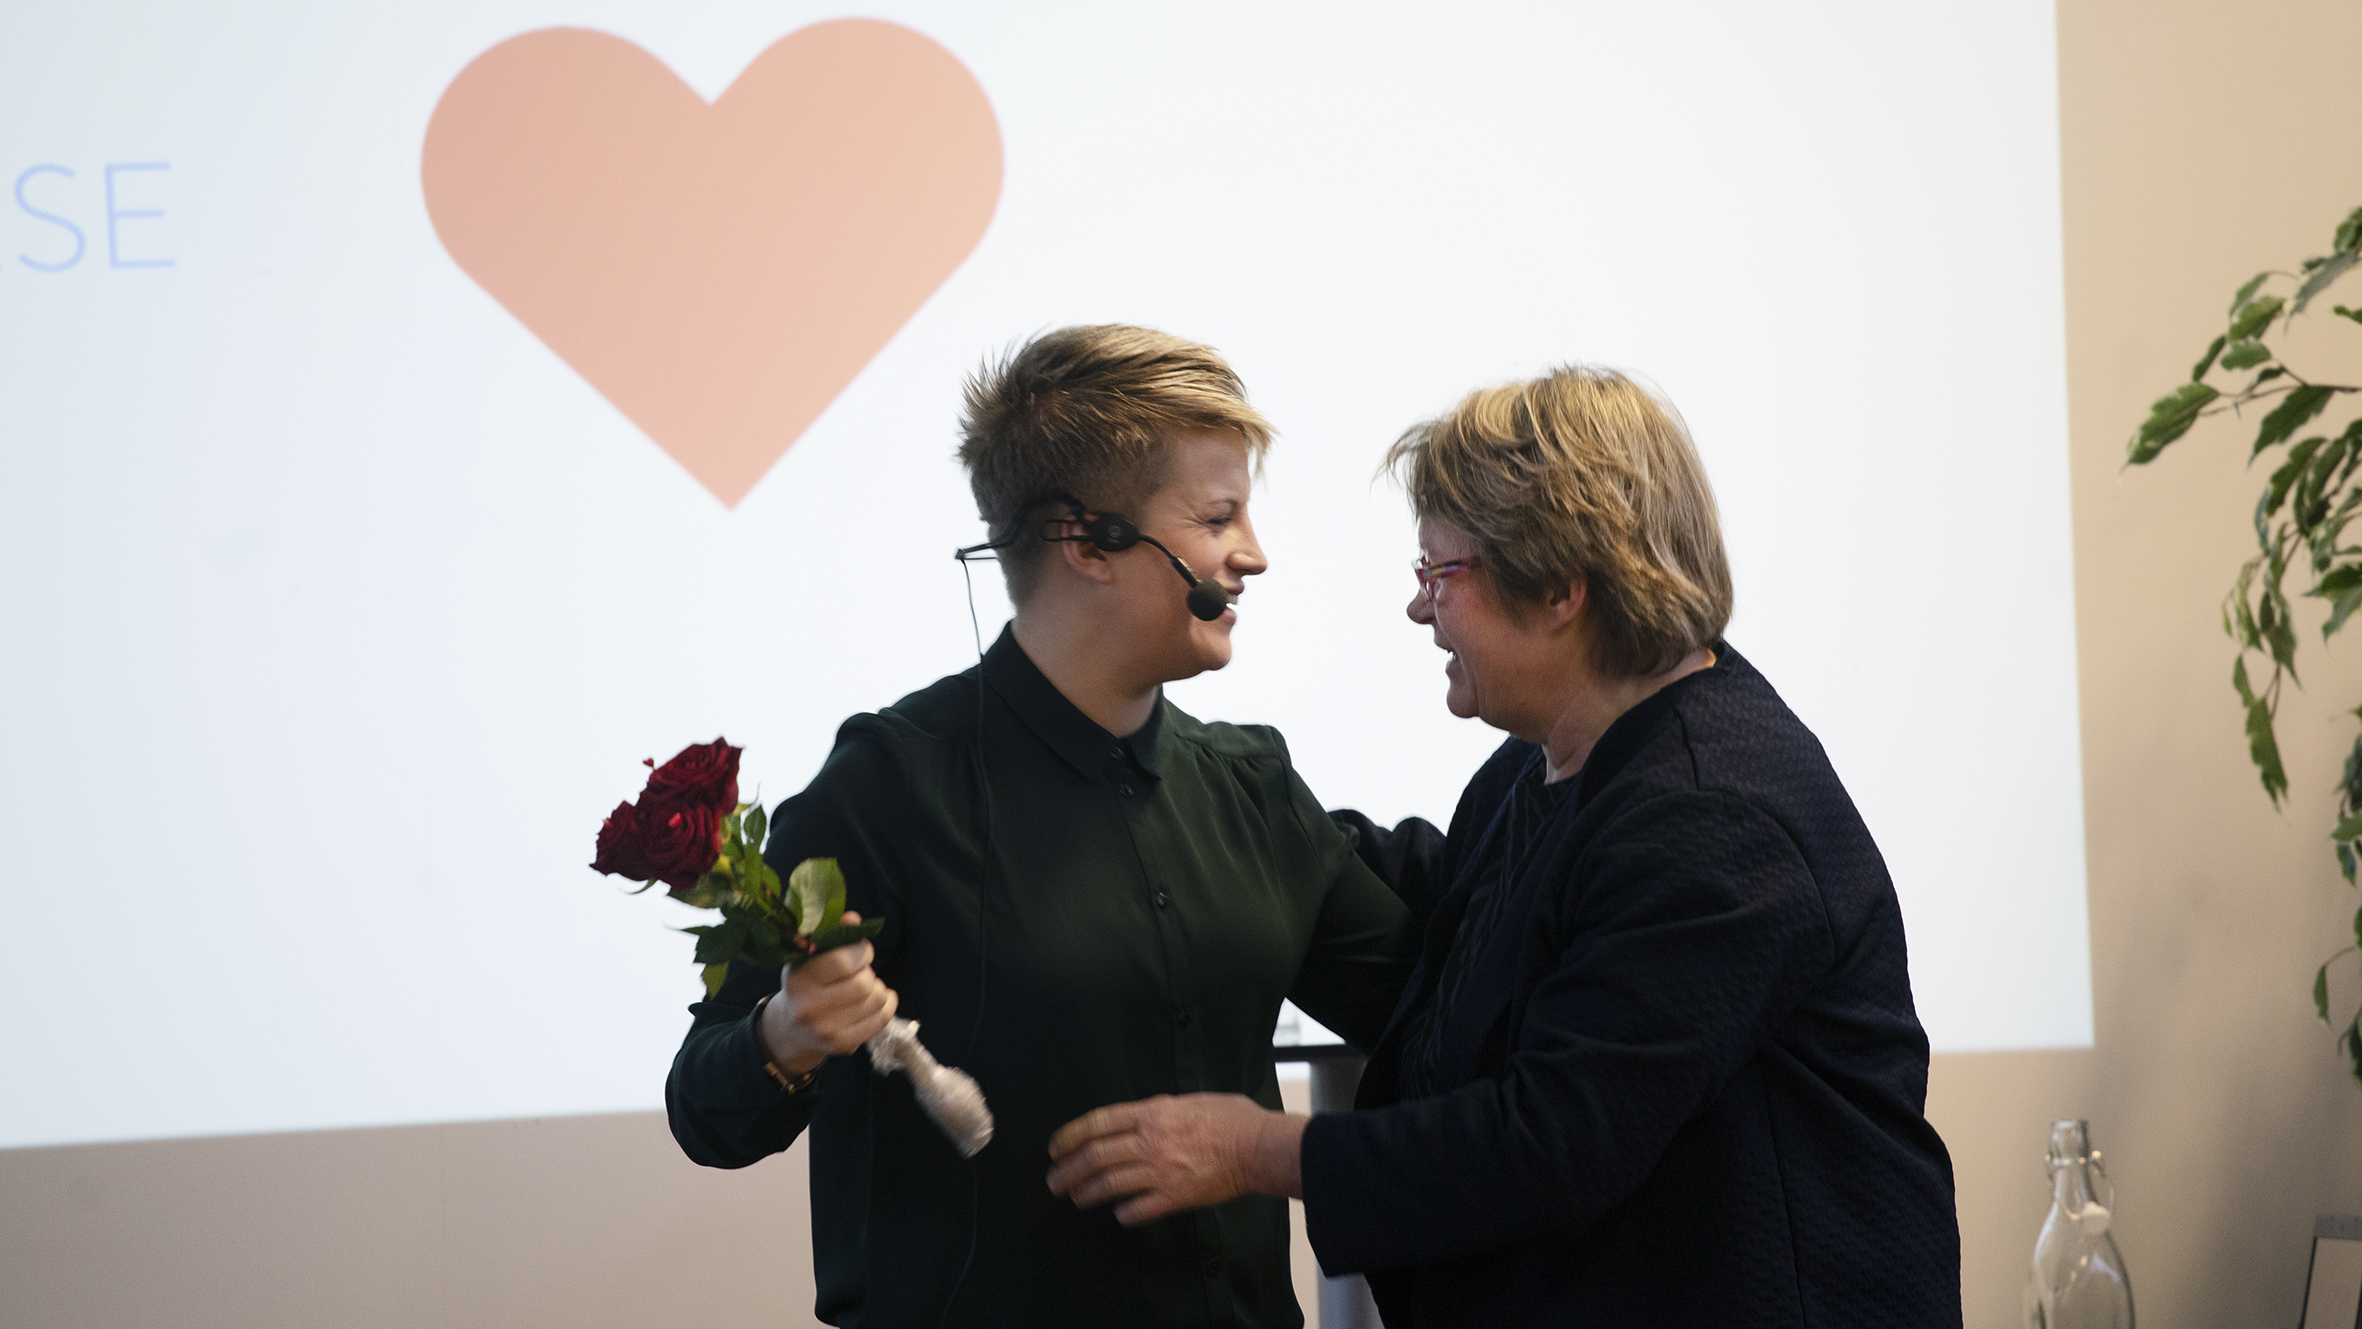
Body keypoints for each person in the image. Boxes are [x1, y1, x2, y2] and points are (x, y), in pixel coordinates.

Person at [1046, 366, 1962, 1327]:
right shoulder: (1552, 761)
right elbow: (1473, 913)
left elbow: (1554, 1140)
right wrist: (1224, 813)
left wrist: (1251, 1149)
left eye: (1440, 573)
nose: (1419, 609)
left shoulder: (1716, 814)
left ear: (1561, 585)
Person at [665, 325, 1415, 1328]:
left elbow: (1431, 1019)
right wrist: (784, 1035)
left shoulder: (1255, 788)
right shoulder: (888, 787)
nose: (1253, 555)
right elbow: (703, 1113)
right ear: (1086, 541)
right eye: (1217, 517)